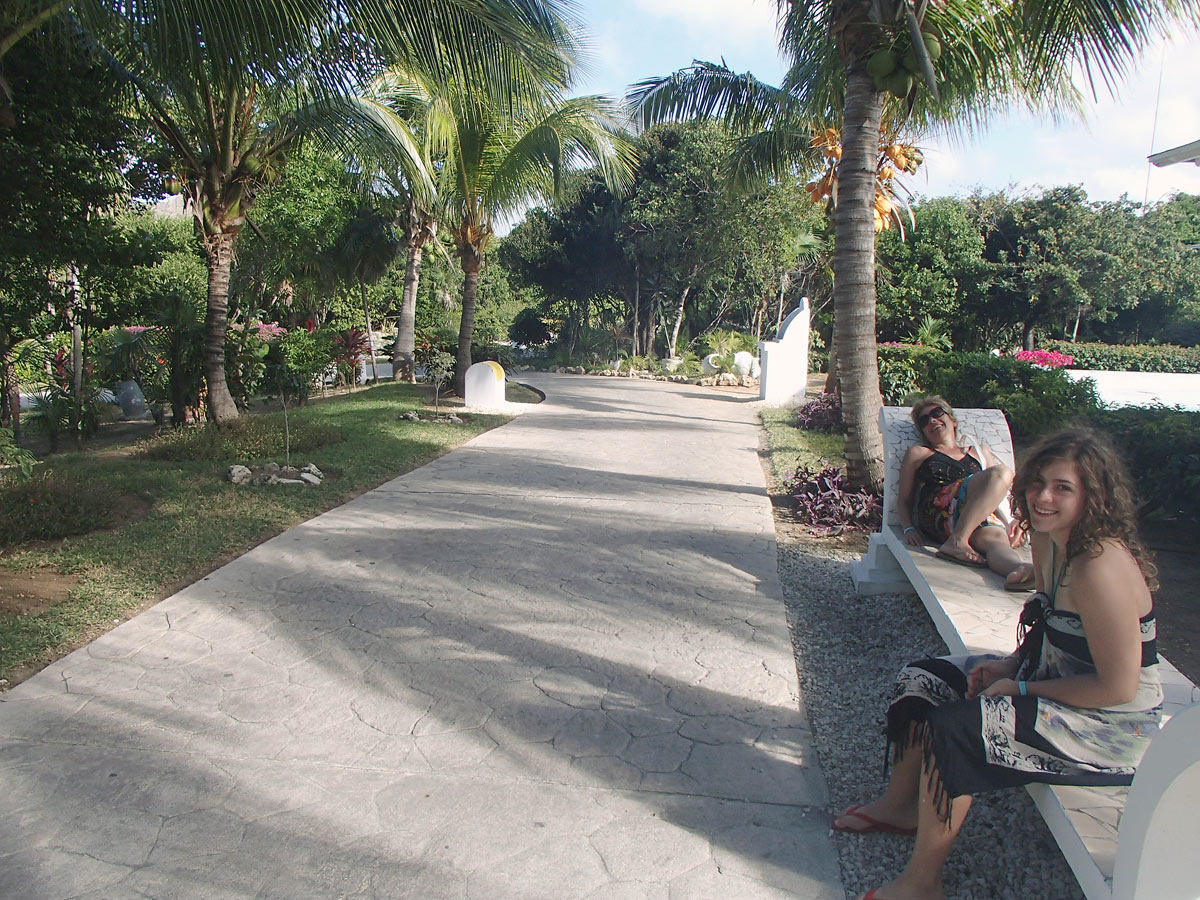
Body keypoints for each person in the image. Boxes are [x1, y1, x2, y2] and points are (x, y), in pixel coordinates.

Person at [834, 428, 1163, 900]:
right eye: (1037, 483)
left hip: (1112, 727)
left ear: (1094, 496)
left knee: (960, 728)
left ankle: (921, 883)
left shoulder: (1099, 566)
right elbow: (1050, 630)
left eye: (1063, 488)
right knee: (925, 678)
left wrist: (1023, 691)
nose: (1043, 497)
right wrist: (1011, 667)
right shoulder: (1052, 541)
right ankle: (900, 806)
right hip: (1060, 683)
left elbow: (1118, 687)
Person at [897, 395, 1033, 590]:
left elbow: (998, 492)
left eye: (937, 413)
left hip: (973, 518)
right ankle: (957, 541)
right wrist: (908, 528)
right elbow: (904, 499)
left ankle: (1017, 571)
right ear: (924, 432)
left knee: (996, 540)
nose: (932, 421)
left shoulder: (979, 452)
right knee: (1002, 473)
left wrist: (1015, 519)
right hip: (940, 513)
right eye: (925, 421)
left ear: (952, 420)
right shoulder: (919, 453)